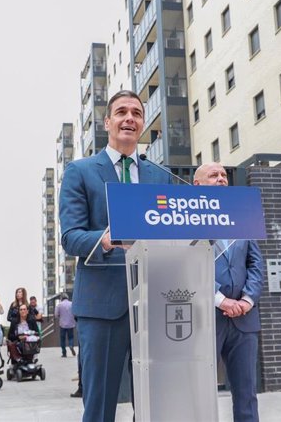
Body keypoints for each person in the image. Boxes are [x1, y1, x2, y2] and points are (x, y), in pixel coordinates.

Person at [59, 90, 172, 421]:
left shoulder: (159, 176)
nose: (129, 118)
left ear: (142, 123)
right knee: (100, 406)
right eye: (121, 112)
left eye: (136, 113)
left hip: (153, 304)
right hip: (102, 306)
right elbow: (71, 237)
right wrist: (107, 239)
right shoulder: (80, 171)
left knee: (155, 405)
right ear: (107, 122)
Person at [192, 162, 264, 422]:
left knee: (246, 394)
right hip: (205, 318)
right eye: (214, 175)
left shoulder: (241, 217)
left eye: (224, 175)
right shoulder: (187, 219)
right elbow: (186, 262)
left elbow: (255, 262)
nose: (222, 179)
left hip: (243, 319)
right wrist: (220, 300)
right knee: (200, 392)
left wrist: (247, 300)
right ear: (197, 185)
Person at [55, 294, 76, 358]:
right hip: (71, 324)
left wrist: (60, 316)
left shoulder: (59, 305)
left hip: (62, 325)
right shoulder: (72, 304)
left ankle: (64, 353)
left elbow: (56, 315)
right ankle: (71, 345)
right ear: (67, 298)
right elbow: (75, 312)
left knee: (62, 339)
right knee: (71, 337)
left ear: (61, 298)